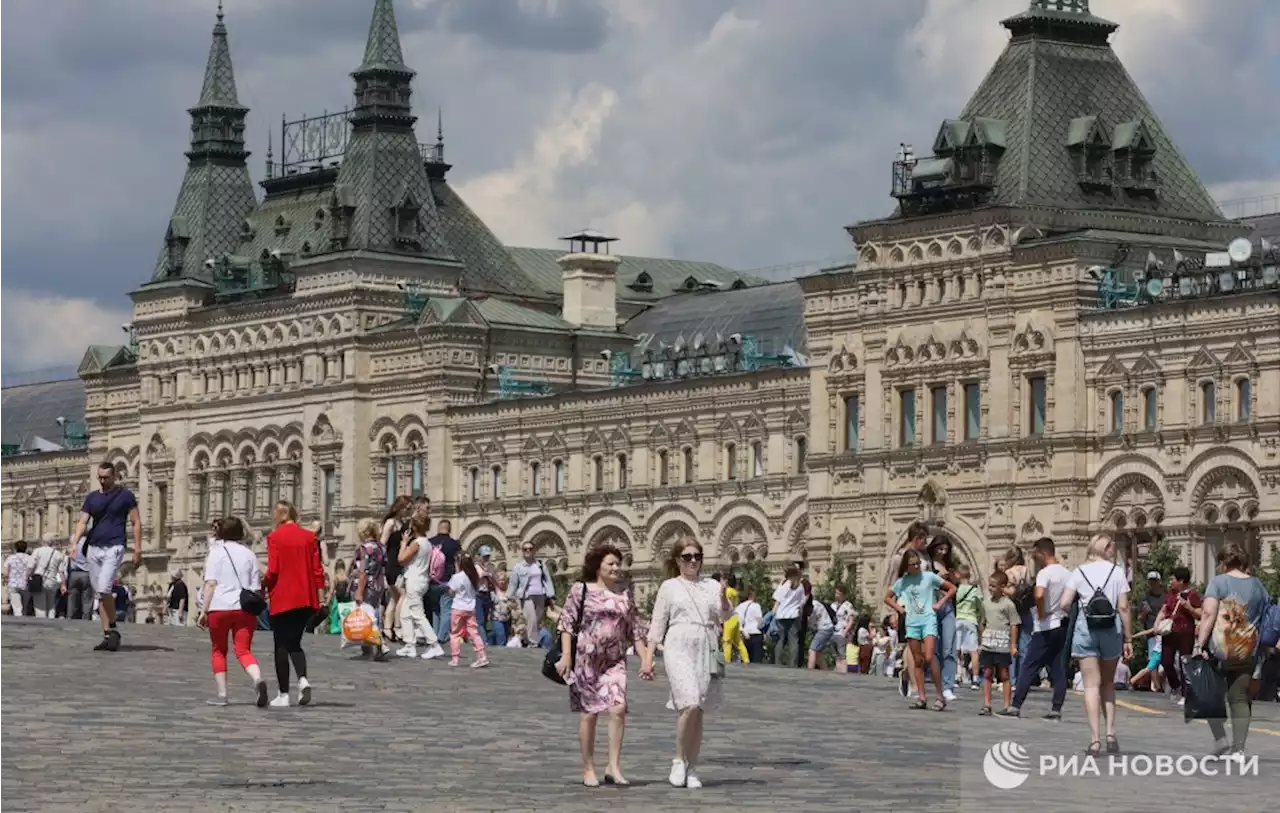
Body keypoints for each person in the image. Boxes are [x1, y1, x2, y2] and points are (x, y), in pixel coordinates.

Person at [641, 538, 731, 790]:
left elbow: (724, 615)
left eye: (697, 556)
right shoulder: (669, 587)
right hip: (678, 644)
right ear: (678, 560)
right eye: (687, 557)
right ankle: (678, 759)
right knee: (689, 701)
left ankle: (693, 766)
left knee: (697, 709)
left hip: (705, 645)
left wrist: (723, 596)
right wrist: (648, 659)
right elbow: (657, 624)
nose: (693, 561)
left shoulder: (711, 585)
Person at [555, 544, 642, 787]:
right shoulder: (580, 590)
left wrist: (645, 658)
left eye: (618, 564)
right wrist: (566, 657)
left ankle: (614, 766)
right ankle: (588, 768)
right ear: (598, 567)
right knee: (589, 714)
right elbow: (567, 623)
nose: (616, 568)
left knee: (618, 708)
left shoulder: (624, 594)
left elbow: (634, 628)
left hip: (614, 661)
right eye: (610, 564)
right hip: (587, 660)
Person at [1194, 543, 1270, 760]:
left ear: (1224, 562)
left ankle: (1220, 739)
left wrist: (1200, 644)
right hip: (1248, 649)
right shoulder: (1257, 585)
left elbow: (1208, 614)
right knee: (1239, 698)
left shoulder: (1219, 582)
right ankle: (1239, 749)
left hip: (1220, 649)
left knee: (1208, 694)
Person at [1058, 533, 1131, 755]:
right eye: (1112, 546)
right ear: (1105, 548)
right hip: (1111, 629)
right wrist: (1128, 638)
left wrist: (1078, 611)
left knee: (1090, 685)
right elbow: (1124, 608)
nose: (1114, 550)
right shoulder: (1117, 572)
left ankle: (1095, 740)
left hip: (1086, 628)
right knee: (1107, 683)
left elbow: (1064, 603)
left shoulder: (1079, 572)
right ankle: (1110, 733)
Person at [195, 517, 267, 707]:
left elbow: (210, 583)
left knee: (219, 650)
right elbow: (255, 587)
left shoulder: (216, 553)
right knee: (243, 651)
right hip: (243, 608)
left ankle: (222, 695)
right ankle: (258, 679)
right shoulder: (250, 554)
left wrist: (203, 611)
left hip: (219, 607)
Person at [69, 462, 142, 651]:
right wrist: (75, 543)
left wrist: (137, 549)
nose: (102, 481)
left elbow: (135, 521)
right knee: (100, 594)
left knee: (104, 588)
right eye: (100, 477)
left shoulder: (125, 496)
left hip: (115, 546)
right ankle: (108, 634)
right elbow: (83, 521)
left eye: (106, 477)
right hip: (93, 547)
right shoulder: (92, 498)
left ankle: (113, 628)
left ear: (114, 476)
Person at [263, 501, 325, 707]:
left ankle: (283, 694)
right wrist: (321, 596)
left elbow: (273, 570)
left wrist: (263, 585)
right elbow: (318, 571)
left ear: (278, 515)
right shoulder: (309, 537)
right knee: (295, 643)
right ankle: (303, 679)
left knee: (281, 644)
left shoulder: (274, 537)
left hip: (283, 598)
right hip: (306, 598)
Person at [1007, 537, 1071, 720]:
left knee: (1029, 665)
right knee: (1057, 666)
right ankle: (1056, 708)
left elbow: (1040, 595)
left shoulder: (1045, 573)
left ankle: (1015, 706)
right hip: (1062, 622)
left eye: (1035, 554)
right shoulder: (1067, 573)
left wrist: (1041, 613)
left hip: (1046, 626)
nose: (1034, 558)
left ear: (1043, 553)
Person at [885, 548, 955, 710]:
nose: (916, 567)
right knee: (917, 661)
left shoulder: (929, 577)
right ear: (906, 566)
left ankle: (940, 695)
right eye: (912, 564)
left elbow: (951, 588)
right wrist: (900, 609)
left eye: (917, 563)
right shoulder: (903, 582)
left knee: (930, 657)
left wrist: (939, 603)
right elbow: (887, 597)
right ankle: (922, 697)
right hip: (912, 622)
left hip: (928, 619)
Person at [395, 516, 444, 659]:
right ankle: (409, 644)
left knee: (417, 614)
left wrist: (404, 543)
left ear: (413, 528)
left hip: (414, 581)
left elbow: (401, 559)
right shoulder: (428, 543)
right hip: (422, 580)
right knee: (405, 613)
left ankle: (434, 644)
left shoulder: (416, 543)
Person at [1153, 565, 1202, 705]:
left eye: (1173, 579)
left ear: (1181, 581)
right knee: (1166, 661)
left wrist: (1189, 607)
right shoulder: (1170, 594)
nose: (1171, 582)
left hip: (1185, 632)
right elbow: (1163, 610)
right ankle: (1176, 686)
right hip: (1169, 632)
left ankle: (1187, 693)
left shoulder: (1192, 595)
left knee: (1184, 662)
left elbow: (1200, 613)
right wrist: (1157, 623)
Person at [977, 570, 1019, 716]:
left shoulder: (1008, 605)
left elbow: (1014, 624)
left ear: (1002, 587)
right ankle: (987, 703)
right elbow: (982, 623)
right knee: (987, 673)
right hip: (988, 643)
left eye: (994, 586)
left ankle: (1007, 704)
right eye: (990, 586)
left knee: (1004, 674)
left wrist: (1013, 645)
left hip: (1002, 644)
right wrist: (981, 641)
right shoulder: (985, 604)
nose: (990, 589)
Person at [349, 519, 391, 662]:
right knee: (372, 614)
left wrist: (359, 591)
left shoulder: (364, 548)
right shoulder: (381, 547)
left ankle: (380, 644)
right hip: (378, 584)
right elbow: (384, 565)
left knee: (367, 617)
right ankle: (369, 649)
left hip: (366, 585)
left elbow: (363, 571)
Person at [927, 536, 960, 701]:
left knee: (949, 647)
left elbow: (956, 588)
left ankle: (948, 685)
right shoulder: (928, 565)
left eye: (945, 549)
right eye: (940, 549)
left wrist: (954, 579)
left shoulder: (950, 565)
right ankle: (937, 684)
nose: (943, 552)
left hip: (947, 608)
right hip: (932, 607)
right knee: (935, 649)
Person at [379, 496, 413, 644]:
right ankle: (397, 627)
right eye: (407, 508)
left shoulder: (402, 523)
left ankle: (387, 628)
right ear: (399, 507)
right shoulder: (391, 523)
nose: (408, 511)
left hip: (399, 562)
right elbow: (382, 544)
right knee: (402, 595)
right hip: (391, 563)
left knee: (394, 598)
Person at [447, 554, 488, 668]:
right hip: (470, 608)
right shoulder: (473, 576)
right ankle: (482, 655)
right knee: (474, 632)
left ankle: (455, 658)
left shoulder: (457, 577)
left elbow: (451, 591)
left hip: (458, 607)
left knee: (455, 633)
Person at [511, 541, 555, 648]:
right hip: (527, 596)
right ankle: (533, 643)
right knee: (532, 619)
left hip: (540, 595)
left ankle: (526, 639)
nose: (528, 551)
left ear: (534, 551)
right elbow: (513, 583)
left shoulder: (540, 564)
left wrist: (551, 595)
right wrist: (509, 597)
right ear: (522, 551)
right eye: (525, 549)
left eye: (530, 549)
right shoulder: (518, 567)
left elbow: (547, 580)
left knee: (537, 620)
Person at [427, 519, 461, 644]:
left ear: (438, 528)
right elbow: (458, 563)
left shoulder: (430, 543)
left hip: (432, 580)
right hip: (447, 580)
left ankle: (434, 635)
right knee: (446, 609)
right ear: (449, 529)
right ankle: (441, 636)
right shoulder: (454, 544)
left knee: (436, 610)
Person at [952, 565, 982, 689]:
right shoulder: (975, 591)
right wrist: (979, 620)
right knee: (973, 651)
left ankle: (957, 677)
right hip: (971, 621)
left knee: (957, 650)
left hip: (958, 620)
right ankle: (974, 680)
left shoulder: (956, 590)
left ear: (958, 575)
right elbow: (980, 607)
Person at [771, 567, 805, 666]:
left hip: (781, 615)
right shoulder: (800, 586)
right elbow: (802, 603)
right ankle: (793, 663)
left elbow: (777, 599)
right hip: (794, 615)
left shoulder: (784, 584)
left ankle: (778, 662)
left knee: (780, 640)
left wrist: (773, 613)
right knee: (793, 640)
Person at [27, 537, 65, 619]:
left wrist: (27, 577)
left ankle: (42, 625)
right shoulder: (58, 553)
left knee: (40, 606)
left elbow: (30, 567)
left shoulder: (37, 551)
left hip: (39, 581)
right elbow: (61, 571)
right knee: (51, 605)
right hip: (52, 581)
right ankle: (51, 622)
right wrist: (63, 584)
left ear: (43, 542)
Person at [62, 541, 94, 620]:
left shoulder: (73, 540)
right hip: (87, 573)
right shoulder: (91, 541)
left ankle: (70, 618)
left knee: (72, 598)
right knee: (87, 600)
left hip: (74, 573)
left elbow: (67, 554)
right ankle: (86, 620)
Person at [3, 540, 33, 616]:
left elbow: (5, 572)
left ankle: (19, 623)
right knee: (24, 607)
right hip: (25, 585)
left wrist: (10, 575)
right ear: (26, 548)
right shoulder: (29, 558)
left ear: (15, 548)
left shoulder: (10, 558)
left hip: (13, 584)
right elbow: (31, 571)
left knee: (17, 608)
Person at [476, 545, 498, 644]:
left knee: (485, 618)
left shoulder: (489, 567)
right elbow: (480, 575)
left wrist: (489, 574)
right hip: (478, 594)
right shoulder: (476, 566)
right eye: (484, 556)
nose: (486, 558)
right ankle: (483, 640)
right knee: (480, 619)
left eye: (487, 556)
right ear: (479, 556)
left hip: (487, 594)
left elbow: (494, 577)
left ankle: (483, 637)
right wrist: (488, 574)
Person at [736, 589, 764, 664]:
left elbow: (738, 622)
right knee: (756, 661)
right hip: (756, 633)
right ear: (751, 595)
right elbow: (760, 621)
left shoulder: (739, 607)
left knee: (745, 659)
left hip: (745, 634)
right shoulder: (756, 606)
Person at [490, 572, 513, 646]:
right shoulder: (493, 592)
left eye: (503, 580)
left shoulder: (510, 591)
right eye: (500, 580)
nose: (502, 582)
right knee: (501, 636)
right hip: (497, 618)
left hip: (507, 618)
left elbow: (515, 603)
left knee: (505, 637)